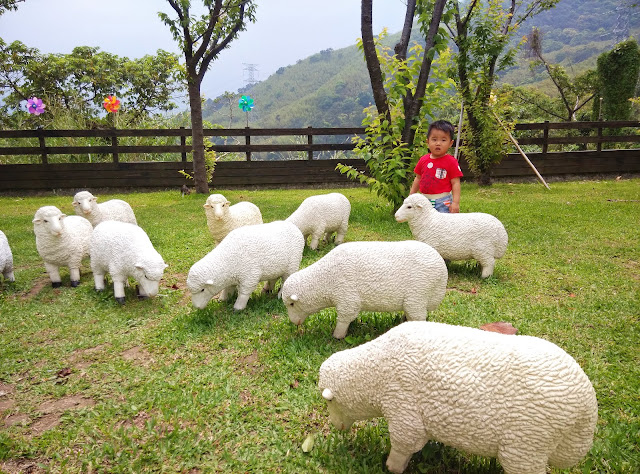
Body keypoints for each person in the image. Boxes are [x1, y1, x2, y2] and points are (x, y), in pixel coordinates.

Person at [409, 120, 463, 213]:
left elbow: (455, 183)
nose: (438, 143)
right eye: (434, 139)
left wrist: (455, 203)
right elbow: (418, 178)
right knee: (425, 225)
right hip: (424, 201)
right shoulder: (423, 160)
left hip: (443, 202)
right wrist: (411, 196)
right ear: (428, 142)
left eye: (443, 140)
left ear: (450, 143)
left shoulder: (451, 161)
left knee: (444, 225)